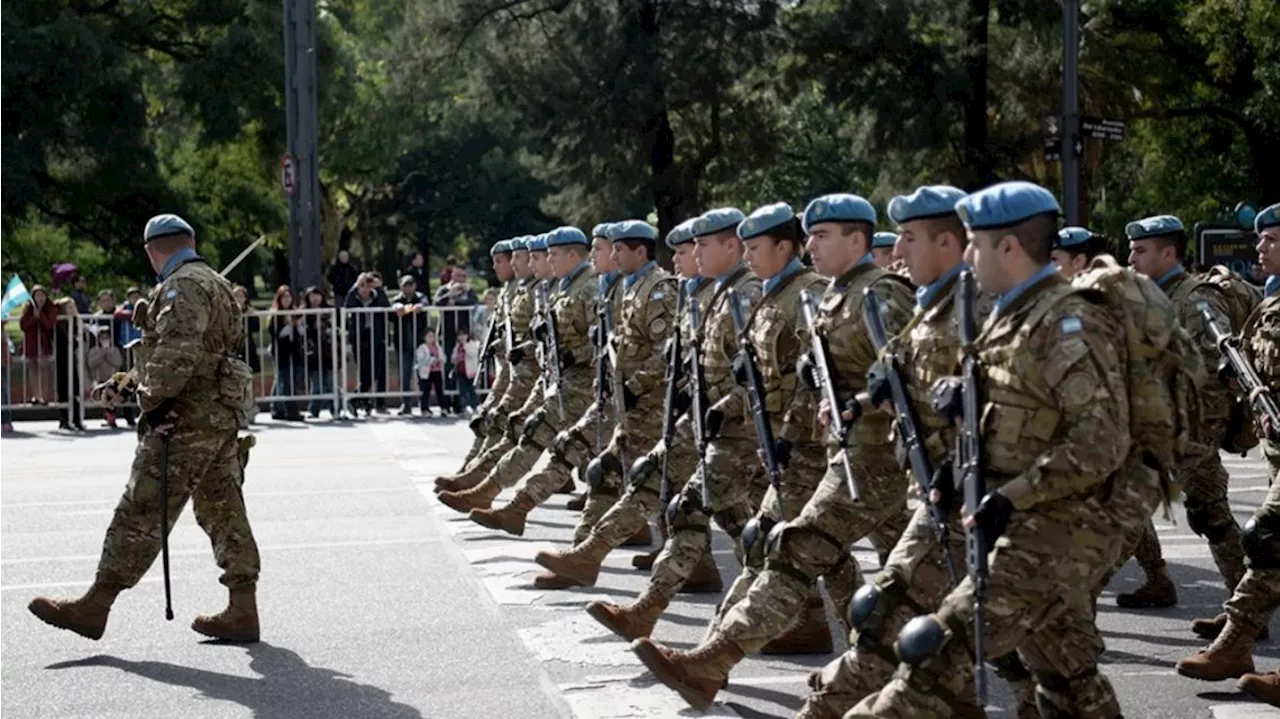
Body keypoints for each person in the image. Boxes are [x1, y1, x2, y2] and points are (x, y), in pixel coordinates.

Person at [848, 182, 1137, 718]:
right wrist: (953, 476)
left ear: (1008, 248)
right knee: (1067, 678)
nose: (968, 255)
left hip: (1058, 526)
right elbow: (1002, 423)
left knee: (932, 653)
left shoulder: (1065, 320)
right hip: (1010, 519)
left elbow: (1101, 442)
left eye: (975, 244)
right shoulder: (1007, 317)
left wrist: (1013, 495)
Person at [633, 195, 916, 706]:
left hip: (881, 460)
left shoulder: (879, 296)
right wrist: (787, 431)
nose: (813, 246)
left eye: (822, 236)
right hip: (834, 453)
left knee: (876, 568)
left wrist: (860, 401)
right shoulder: (830, 296)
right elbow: (804, 383)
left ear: (857, 239)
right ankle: (714, 656)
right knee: (781, 544)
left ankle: (722, 659)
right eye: (810, 236)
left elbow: (911, 381)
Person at [28, 212, 261, 643]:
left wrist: (151, 403)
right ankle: (243, 607)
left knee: (142, 506)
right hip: (218, 414)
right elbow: (199, 354)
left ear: (153, 251)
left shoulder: (181, 286)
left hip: (184, 418)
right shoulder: (217, 284)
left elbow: (176, 356)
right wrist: (127, 382)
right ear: (189, 241)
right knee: (222, 505)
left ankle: (96, 604)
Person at [1176, 202, 1280, 704]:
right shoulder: (1270, 299)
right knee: (1270, 545)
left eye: (1272, 239)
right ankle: (1236, 643)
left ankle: (1235, 641)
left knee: (1267, 538)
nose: (1259, 247)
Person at [415, 328, 446, 415]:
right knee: (426, 391)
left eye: (433, 336)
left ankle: (443, 407)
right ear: (424, 338)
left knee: (439, 390)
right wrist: (431, 360)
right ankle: (424, 408)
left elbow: (443, 357)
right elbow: (421, 360)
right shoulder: (422, 348)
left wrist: (440, 360)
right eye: (429, 336)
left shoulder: (438, 347)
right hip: (426, 372)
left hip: (437, 371)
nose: (431, 338)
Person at [452, 326, 480, 415]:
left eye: (463, 335)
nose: (462, 337)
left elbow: (473, 354)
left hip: (471, 372)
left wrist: (465, 345)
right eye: (459, 335)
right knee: (462, 391)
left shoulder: (471, 344)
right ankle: (463, 408)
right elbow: (453, 357)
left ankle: (474, 407)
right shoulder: (457, 346)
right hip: (461, 372)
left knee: (472, 391)